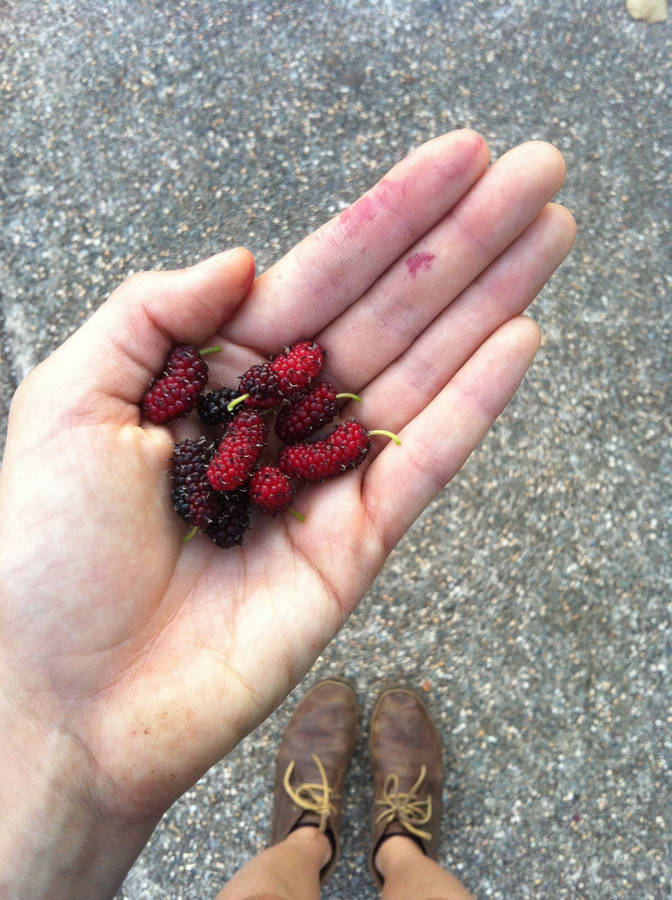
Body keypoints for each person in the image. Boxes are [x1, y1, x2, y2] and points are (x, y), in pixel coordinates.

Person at [0, 129, 575, 898]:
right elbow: (232, 454)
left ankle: (318, 839)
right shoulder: (239, 438)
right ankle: (389, 852)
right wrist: (40, 713)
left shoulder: (265, 425)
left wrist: (40, 740)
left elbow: (253, 449)